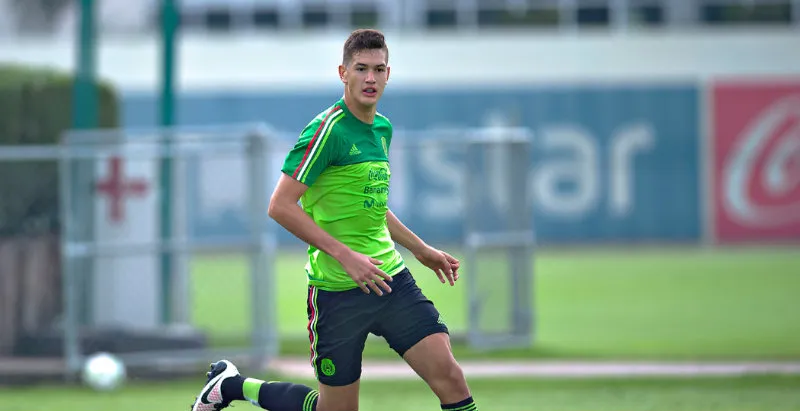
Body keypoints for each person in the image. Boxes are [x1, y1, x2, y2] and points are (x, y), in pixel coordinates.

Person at [191, 28, 478, 411]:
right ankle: (232, 386)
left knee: (451, 379)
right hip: (337, 292)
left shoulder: (382, 128)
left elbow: (369, 206)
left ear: (388, 74)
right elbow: (280, 206)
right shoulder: (327, 131)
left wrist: (421, 249)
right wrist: (346, 256)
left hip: (389, 280)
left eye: (378, 69)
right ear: (343, 73)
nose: (370, 78)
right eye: (361, 68)